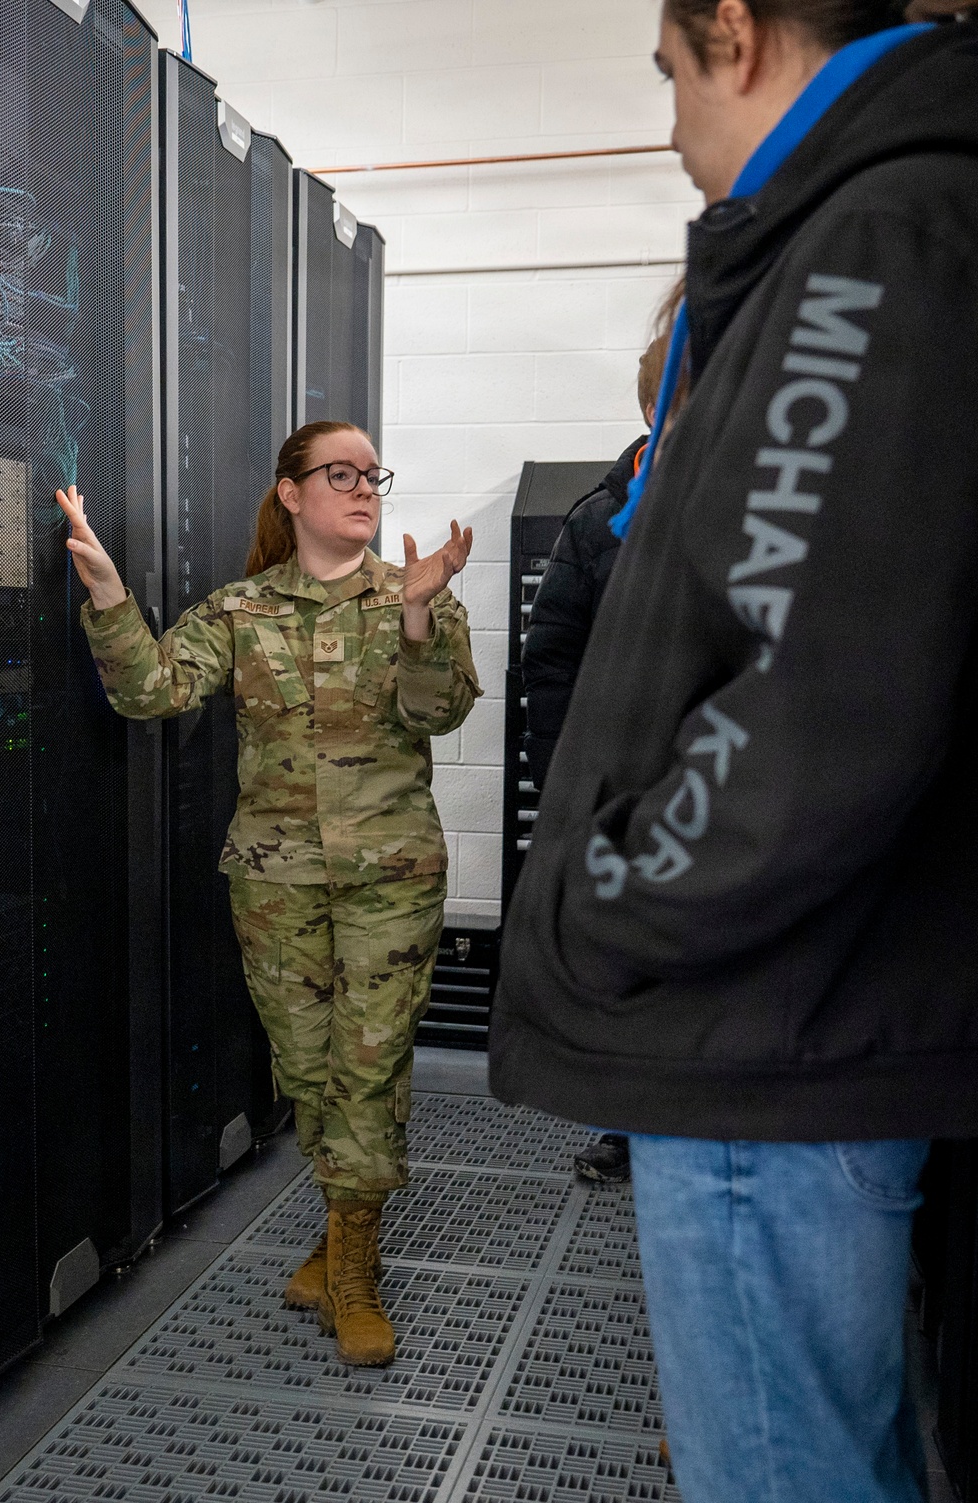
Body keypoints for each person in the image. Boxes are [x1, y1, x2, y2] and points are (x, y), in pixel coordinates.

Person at [490, 2, 978, 1499]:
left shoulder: (873, 234)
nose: (675, 126)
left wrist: (623, 900)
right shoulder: (869, 226)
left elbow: (818, 682)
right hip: (804, 1013)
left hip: (763, 1022)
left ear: (736, 31)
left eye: (670, 80)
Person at [59, 420, 481, 1369]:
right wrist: (109, 593)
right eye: (342, 473)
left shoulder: (418, 594)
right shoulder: (242, 608)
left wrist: (417, 617)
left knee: (366, 1065)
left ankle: (355, 1267)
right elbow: (153, 692)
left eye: (374, 474)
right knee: (306, 1068)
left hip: (389, 877)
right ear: (291, 493)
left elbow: (437, 710)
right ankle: (339, 1229)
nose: (365, 488)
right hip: (276, 879)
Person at [521, 308, 679, 1184]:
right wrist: (565, 791)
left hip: (722, 783)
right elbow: (552, 665)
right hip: (622, 790)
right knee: (623, 956)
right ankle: (627, 1127)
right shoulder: (596, 521)